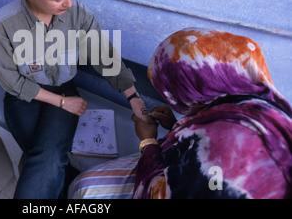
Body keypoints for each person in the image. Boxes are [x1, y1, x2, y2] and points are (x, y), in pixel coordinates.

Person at [0, 0, 149, 199]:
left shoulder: (78, 15)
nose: (69, 3)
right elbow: (13, 82)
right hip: (22, 97)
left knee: (46, 157)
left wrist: (133, 96)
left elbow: (103, 56)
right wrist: (64, 103)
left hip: (63, 89)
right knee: (44, 156)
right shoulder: (4, 24)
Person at [71, 28, 292, 199]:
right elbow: (210, 130)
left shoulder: (230, 149)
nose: (169, 97)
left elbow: (160, 193)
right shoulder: (249, 103)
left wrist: (147, 141)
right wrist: (179, 124)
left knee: (85, 187)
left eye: (170, 90)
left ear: (195, 86)